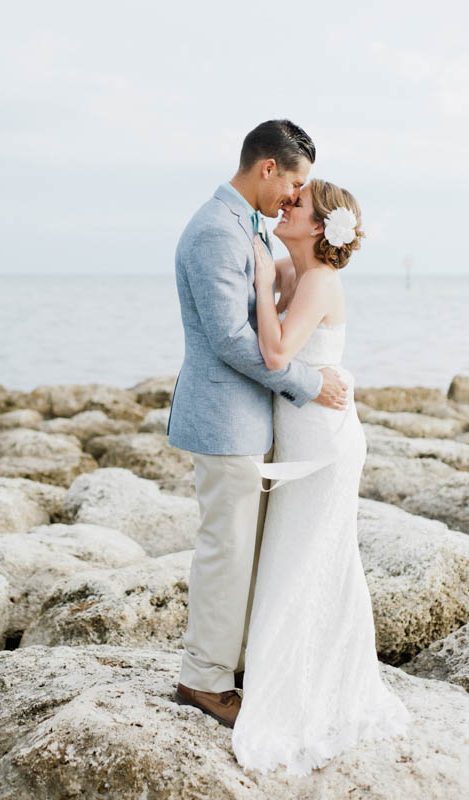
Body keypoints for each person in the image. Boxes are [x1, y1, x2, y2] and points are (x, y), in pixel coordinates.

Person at [167, 119, 348, 727]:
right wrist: (308, 384)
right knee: (227, 548)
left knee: (247, 549)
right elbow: (229, 340)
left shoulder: (244, 226)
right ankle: (205, 680)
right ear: (268, 167)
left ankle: (232, 663)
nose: (292, 197)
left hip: (251, 420)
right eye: (292, 182)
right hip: (225, 419)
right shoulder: (218, 231)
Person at [231, 179, 410, 775]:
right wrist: (263, 261)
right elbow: (265, 262)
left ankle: (307, 684)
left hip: (326, 444)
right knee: (295, 553)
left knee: (310, 556)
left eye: (299, 204)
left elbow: (278, 354)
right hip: (306, 432)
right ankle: (282, 668)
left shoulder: (320, 280)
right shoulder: (296, 268)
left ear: (319, 227)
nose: (289, 205)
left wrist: (261, 285)